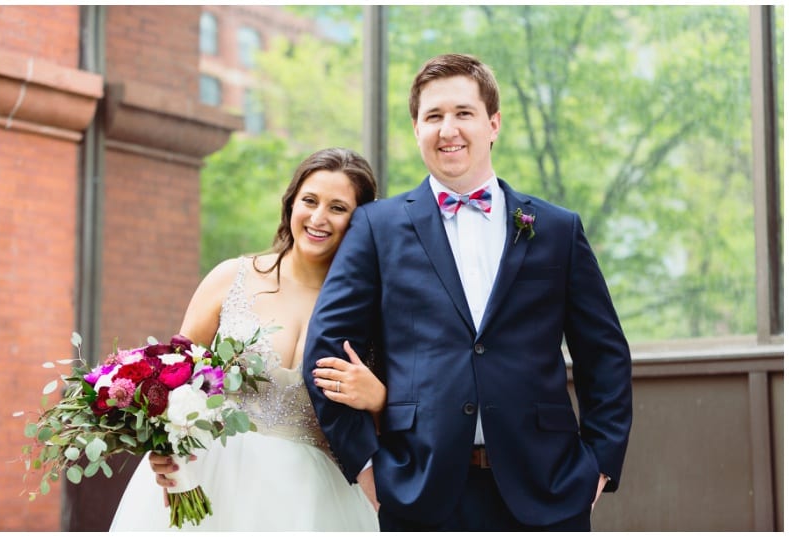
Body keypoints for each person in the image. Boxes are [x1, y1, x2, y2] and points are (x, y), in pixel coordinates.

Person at [303, 53, 633, 531]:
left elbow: (604, 356)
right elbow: (327, 352)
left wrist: (598, 466)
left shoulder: (558, 228)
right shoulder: (377, 227)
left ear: (493, 124)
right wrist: (368, 471)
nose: (448, 129)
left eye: (463, 113)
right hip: (419, 489)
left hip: (549, 488)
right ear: (416, 129)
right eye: (433, 116)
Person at [110, 147, 385, 531]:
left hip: (312, 502)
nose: (319, 218)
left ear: (359, 221)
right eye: (309, 201)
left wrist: (378, 399)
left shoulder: (369, 313)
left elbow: (390, 424)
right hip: (209, 479)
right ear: (291, 204)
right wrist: (161, 446)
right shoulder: (231, 278)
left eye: (338, 208)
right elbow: (170, 379)